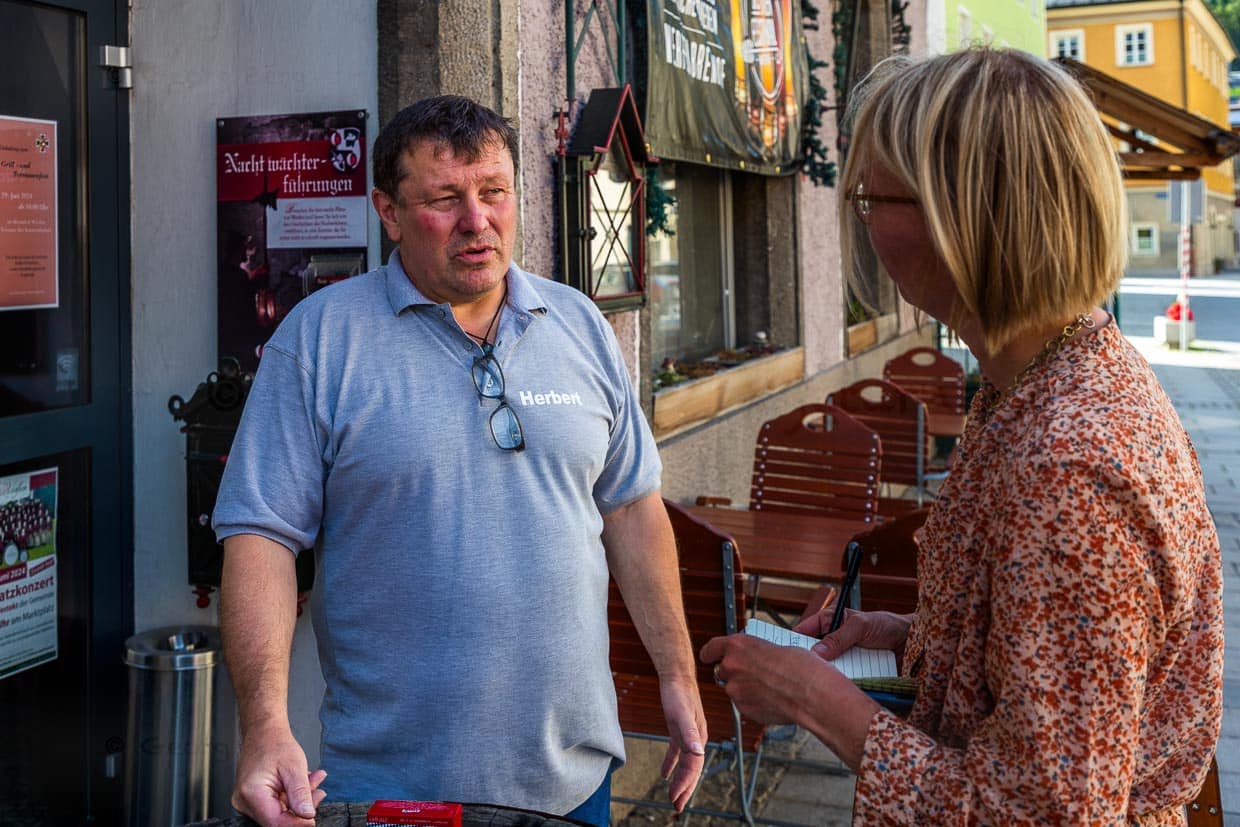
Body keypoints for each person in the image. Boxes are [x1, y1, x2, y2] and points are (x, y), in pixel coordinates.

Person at [701, 48, 1223, 825]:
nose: (863, 221)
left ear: (961, 220)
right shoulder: (1046, 374)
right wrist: (909, 638)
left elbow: (1044, 814)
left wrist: (816, 702)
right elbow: (1048, 660)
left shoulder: (1066, 469)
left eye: (872, 197)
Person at [213, 95, 707, 827]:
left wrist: (677, 673)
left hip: (570, 778)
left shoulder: (580, 325)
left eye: (494, 191)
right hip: (388, 787)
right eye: (446, 199)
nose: (479, 220)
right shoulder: (319, 341)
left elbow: (632, 507)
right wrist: (264, 723)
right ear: (388, 211)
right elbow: (261, 534)